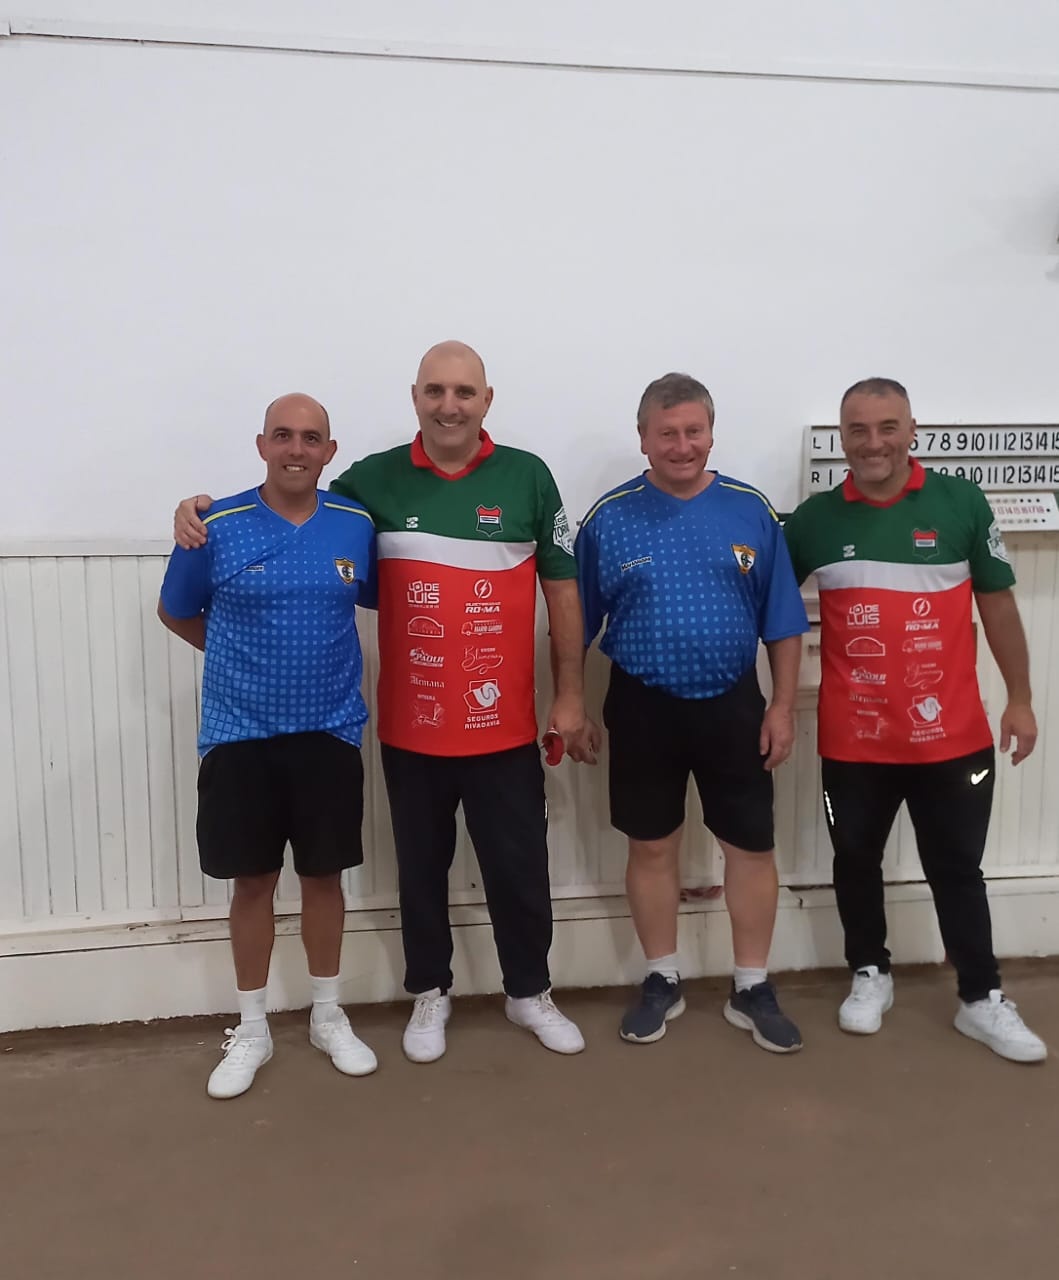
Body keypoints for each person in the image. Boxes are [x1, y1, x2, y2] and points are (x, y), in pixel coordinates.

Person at [174, 343, 586, 1063]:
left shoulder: (528, 476)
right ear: (415, 397)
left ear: (486, 400)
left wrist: (573, 694)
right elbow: (296, 502)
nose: (449, 405)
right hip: (410, 726)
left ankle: (529, 992)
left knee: (519, 868)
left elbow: (561, 586)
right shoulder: (369, 483)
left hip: (504, 725)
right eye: (435, 391)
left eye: (464, 391)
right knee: (419, 870)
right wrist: (195, 508)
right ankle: (430, 991)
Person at [783, 377, 1046, 1062]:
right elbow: (769, 607)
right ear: (842, 438)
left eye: (887, 427)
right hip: (854, 740)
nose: (873, 443)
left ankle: (980, 998)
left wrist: (1020, 697)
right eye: (858, 430)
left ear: (912, 431)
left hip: (952, 739)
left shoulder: (960, 503)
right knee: (854, 860)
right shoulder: (812, 522)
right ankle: (869, 972)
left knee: (956, 868)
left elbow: (997, 605)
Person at [574, 373, 809, 1053]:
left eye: (693, 431)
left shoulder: (749, 509)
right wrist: (570, 703)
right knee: (651, 845)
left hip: (734, 704)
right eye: (667, 433)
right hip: (641, 703)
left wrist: (782, 707)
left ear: (710, 432)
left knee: (750, 846)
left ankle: (752, 985)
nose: (681, 446)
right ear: (643, 437)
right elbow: (572, 625)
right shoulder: (609, 517)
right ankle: (661, 977)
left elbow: (782, 620)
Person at [158, 393, 379, 1099]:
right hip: (240, 736)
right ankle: (251, 1027)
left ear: (329, 452)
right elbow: (175, 611)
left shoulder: (355, 525)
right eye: (283, 435)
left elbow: (384, 597)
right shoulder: (212, 525)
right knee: (251, 882)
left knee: (323, 878)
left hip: (328, 732)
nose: (296, 449)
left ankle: (326, 1014)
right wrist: (237, 657)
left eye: (311, 438)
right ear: (261, 445)